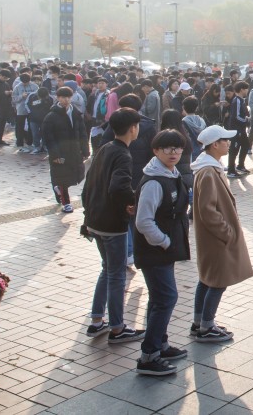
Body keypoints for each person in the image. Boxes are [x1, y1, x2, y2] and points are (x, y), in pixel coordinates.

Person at [80, 108, 145, 345]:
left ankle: (97, 321)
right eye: (137, 125)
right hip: (111, 224)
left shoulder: (105, 148)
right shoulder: (122, 155)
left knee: (107, 269)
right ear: (132, 128)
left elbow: (88, 187)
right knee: (117, 274)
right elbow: (119, 188)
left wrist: (88, 218)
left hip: (95, 221)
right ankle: (117, 328)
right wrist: (131, 202)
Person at [132, 130, 191, 376]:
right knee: (166, 297)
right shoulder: (154, 182)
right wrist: (165, 242)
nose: (174, 153)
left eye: (178, 148)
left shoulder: (169, 173)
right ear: (156, 151)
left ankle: (160, 344)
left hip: (163, 251)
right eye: (167, 148)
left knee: (159, 298)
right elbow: (143, 222)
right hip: (155, 251)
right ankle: (149, 356)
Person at [190, 125, 253, 342]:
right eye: (225, 140)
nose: (229, 143)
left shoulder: (210, 166)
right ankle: (206, 326)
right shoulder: (208, 171)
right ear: (215, 145)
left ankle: (199, 322)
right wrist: (226, 233)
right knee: (218, 280)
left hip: (212, 238)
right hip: (216, 238)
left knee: (207, 278)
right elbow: (208, 210)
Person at [42, 87, 88, 213]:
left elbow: (83, 133)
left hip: (74, 151)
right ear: (58, 98)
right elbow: (48, 138)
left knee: (75, 175)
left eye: (68, 97)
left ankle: (58, 190)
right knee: (62, 177)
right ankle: (66, 202)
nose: (66, 100)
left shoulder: (76, 113)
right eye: (63, 97)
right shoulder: (51, 116)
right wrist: (55, 154)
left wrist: (85, 150)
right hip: (60, 152)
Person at [225, 81, 251, 178]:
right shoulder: (237, 100)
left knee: (245, 145)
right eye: (246, 89)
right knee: (234, 149)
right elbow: (236, 116)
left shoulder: (241, 100)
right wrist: (247, 120)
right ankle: (231, 170)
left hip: (241, 129)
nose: (247, 90)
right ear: (241, 90)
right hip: (236, 129)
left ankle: (240, 165)